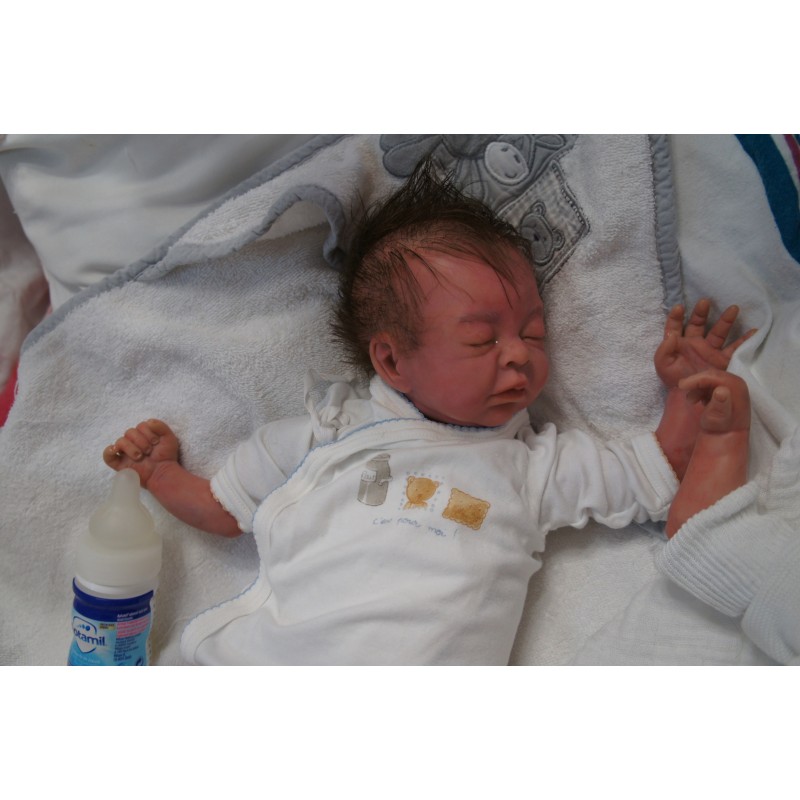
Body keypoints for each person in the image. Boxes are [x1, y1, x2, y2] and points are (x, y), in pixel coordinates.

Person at [103, 162, 754, 664]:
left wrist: (688, 394)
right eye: (481, 339)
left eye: (532, 332)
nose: (519, 355)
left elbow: (653, 472)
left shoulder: (531, 467)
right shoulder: (327, 433)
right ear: (392, 361)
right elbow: (224, 508)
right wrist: (161, 475)